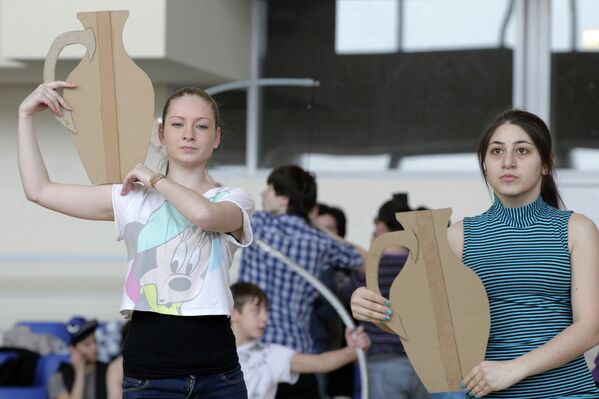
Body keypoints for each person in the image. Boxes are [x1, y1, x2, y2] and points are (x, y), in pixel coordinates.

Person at [18, 82, 254, 398]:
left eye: (201, 126)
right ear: (161, 135)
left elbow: (204, 216)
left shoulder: (232, 198)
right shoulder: (132, 199)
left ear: (216, 138)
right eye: (177, 124)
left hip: (219, 375)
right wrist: (25, 116)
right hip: (149, 376)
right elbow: (39, 191)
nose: (188, 134)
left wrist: (154, 178)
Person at [350, 109, 599, 398]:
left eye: (522, 150)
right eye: (496, 151)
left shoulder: (576, 229)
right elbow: (430, 330)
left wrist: (513, 368)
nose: (508, 162)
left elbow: (590, 327)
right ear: (484, 164)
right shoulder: (458, 237)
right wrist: (374, 309)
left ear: (546, 163)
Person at [238, 164, 364, 398]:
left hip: (258, 359)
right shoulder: (320, 241)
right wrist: (315, 225)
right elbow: (364, 258)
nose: (263, 194)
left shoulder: (258, 224)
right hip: (300, 359)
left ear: (284, 198)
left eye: (270, 189)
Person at [342, 193, 430, 399]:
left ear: (381, 227)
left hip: (381, 365)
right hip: (424, 369)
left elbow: (346, 297)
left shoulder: (368, 272)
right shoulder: (425, 270)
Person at [230, 282, 370, 399]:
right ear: (234, 313)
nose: (265, 318)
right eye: (256, 310)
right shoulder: (212, 353)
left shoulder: (269, 355)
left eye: (266, 311)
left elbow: (320, 362)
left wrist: (352, 350)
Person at [48, 317, 107, 399]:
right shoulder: (58, 378)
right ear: (72, 349)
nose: (94, 347)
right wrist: (80, 372)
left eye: (95, 341)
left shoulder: (109, 370)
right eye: (87, 344)